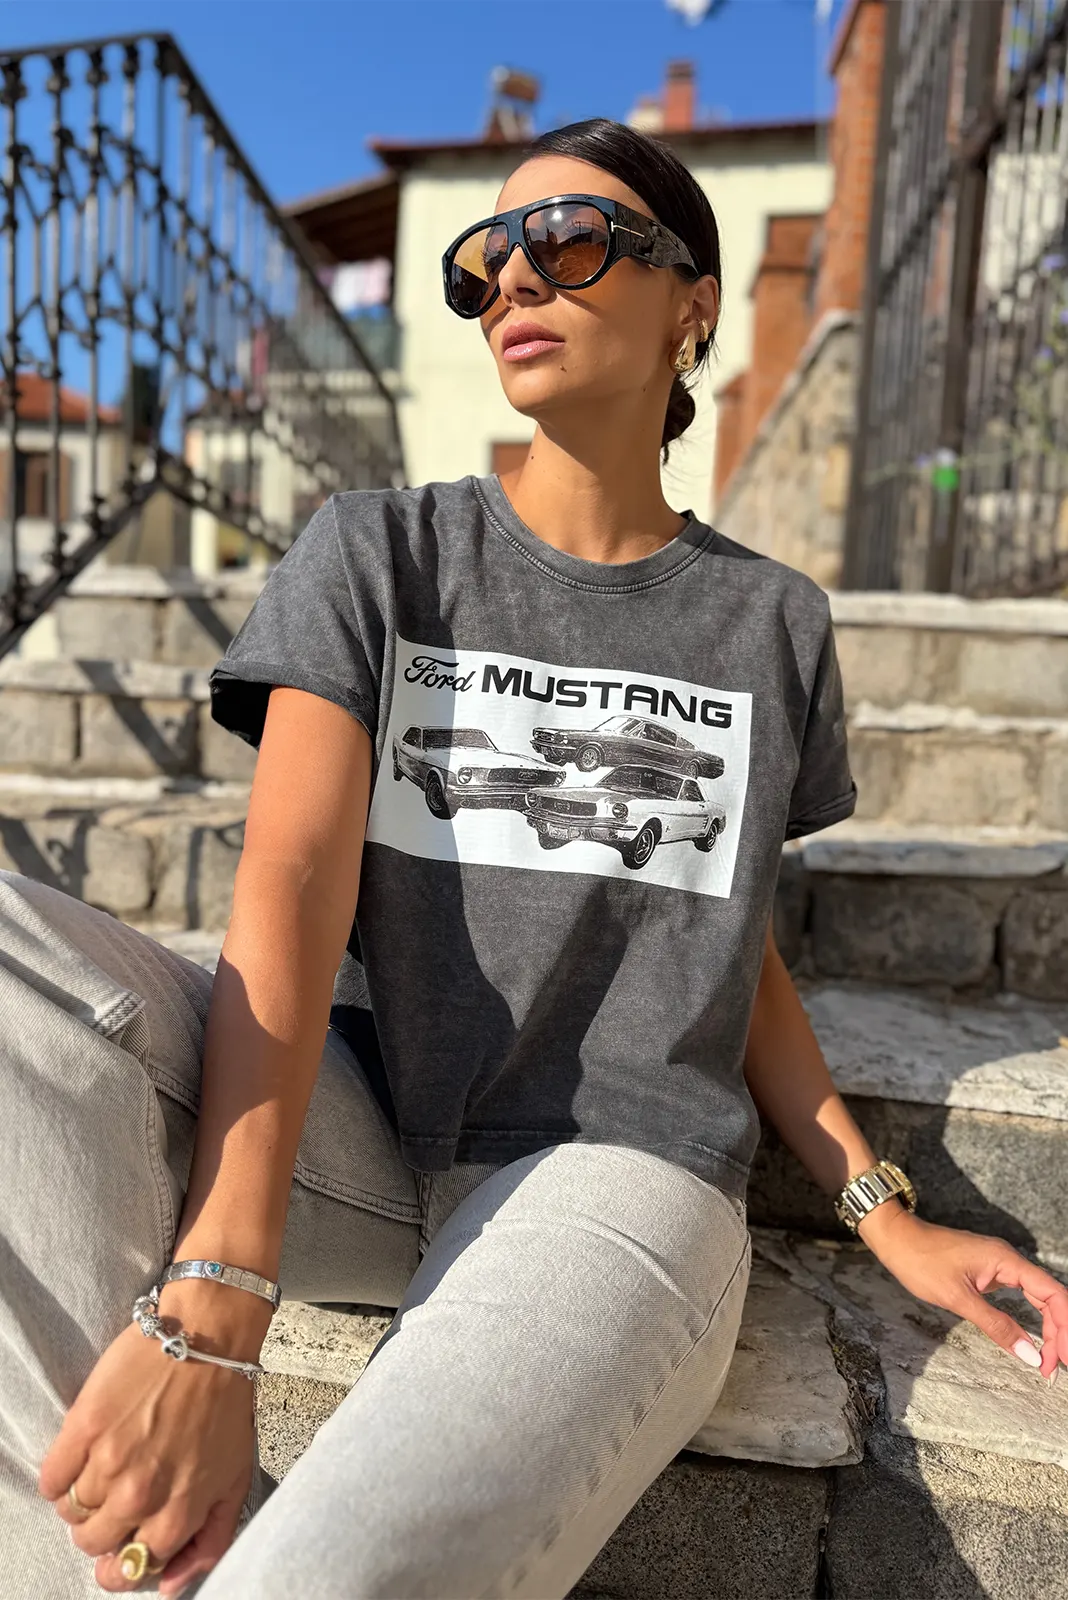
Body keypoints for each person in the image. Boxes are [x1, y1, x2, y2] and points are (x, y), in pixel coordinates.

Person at [2, 117, 1065, 1600]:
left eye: (567, 241)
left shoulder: (772, 624)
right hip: (365, 1134)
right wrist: (218, 1297)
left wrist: (882, 1216)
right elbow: (290, 887)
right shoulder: (382, 552)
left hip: (619, 1172)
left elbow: (725, 937)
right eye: (484, 257)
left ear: (693, 300)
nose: (513, 279)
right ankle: (100, 1546)